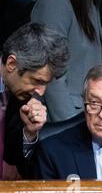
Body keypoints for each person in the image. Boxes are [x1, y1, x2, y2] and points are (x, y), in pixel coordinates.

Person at [1, 22, 69, 179]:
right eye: (37, 81)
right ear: (12, 64)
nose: (41, 91)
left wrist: (29, 132)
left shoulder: (22, 97)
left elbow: (12, 158)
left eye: (45, 83)